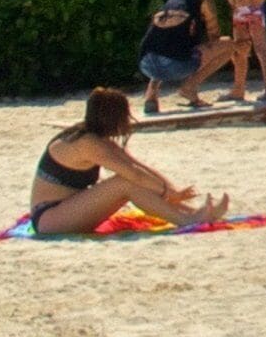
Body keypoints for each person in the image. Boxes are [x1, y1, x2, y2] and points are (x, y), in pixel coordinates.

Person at [27, 88, 229, 235]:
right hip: (48, 219)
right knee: (125, 181)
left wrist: (172, 190)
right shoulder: (88, 143)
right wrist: (168, 193)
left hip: (67, 210)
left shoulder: (98, 139)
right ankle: (186, 220)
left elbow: (138, 166)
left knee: (132, 180)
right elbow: (133, 174)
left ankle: (196, 213)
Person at [134, 0, 218, 115]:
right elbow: (203, 40)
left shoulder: (170, 3)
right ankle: (189, 88)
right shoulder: (197, 4)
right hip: (174, 66)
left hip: (145, 64)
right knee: (228, 45)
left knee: (165, 45)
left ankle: (151, 95)